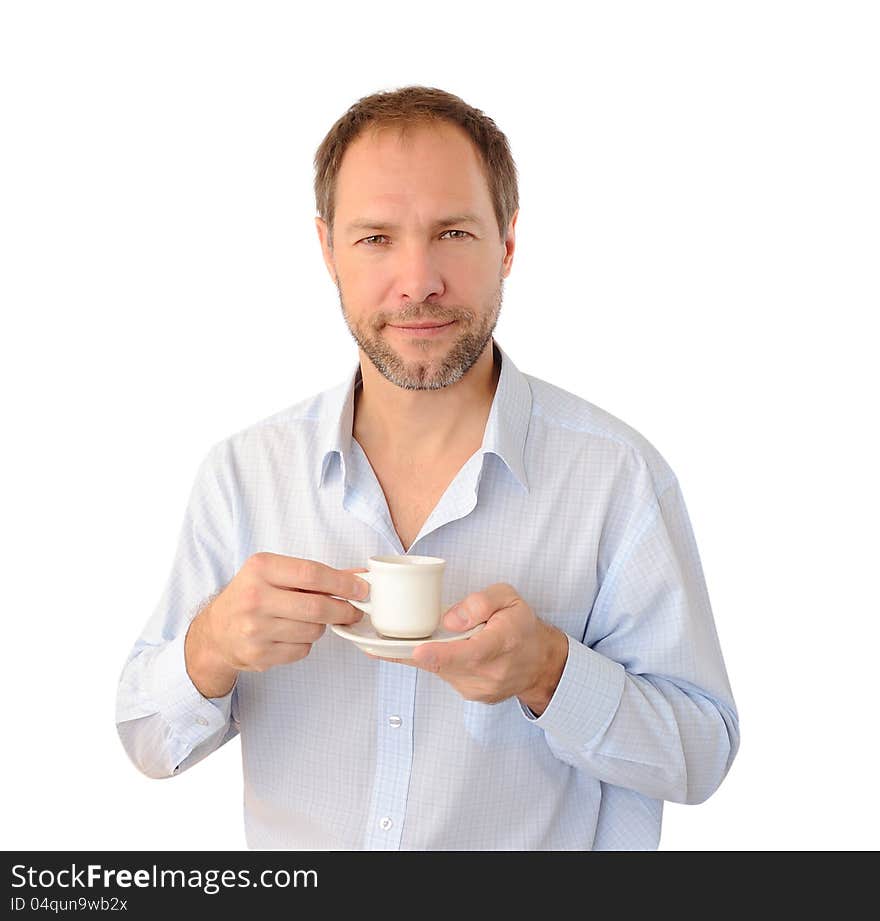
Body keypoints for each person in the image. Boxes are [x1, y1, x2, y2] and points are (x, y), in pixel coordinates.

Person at [115, 85, 740, 851]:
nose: (417, 281)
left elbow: (702, 754)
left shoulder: (616, 479)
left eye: (452, 232)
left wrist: (550, 670)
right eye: (376, 238)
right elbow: (147, 740)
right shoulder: (244, 476)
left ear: (507, 243)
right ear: (327, 250)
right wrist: (208, 646)